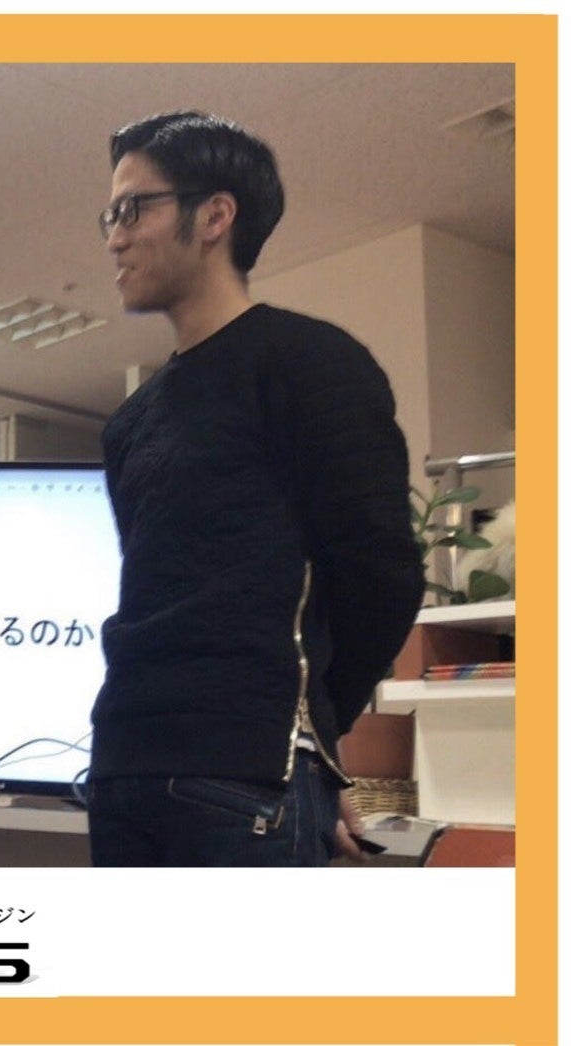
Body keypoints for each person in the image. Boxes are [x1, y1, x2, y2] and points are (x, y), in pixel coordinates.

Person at [86, 111, 424, 866]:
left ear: (215, 216)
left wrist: (312, 735)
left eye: (132, 209)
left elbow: (381, 574)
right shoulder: (130, 422)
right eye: (110, 215)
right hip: (122, 765)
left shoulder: (310, 362)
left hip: (241, 782)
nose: (114, 238)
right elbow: (160, 589)